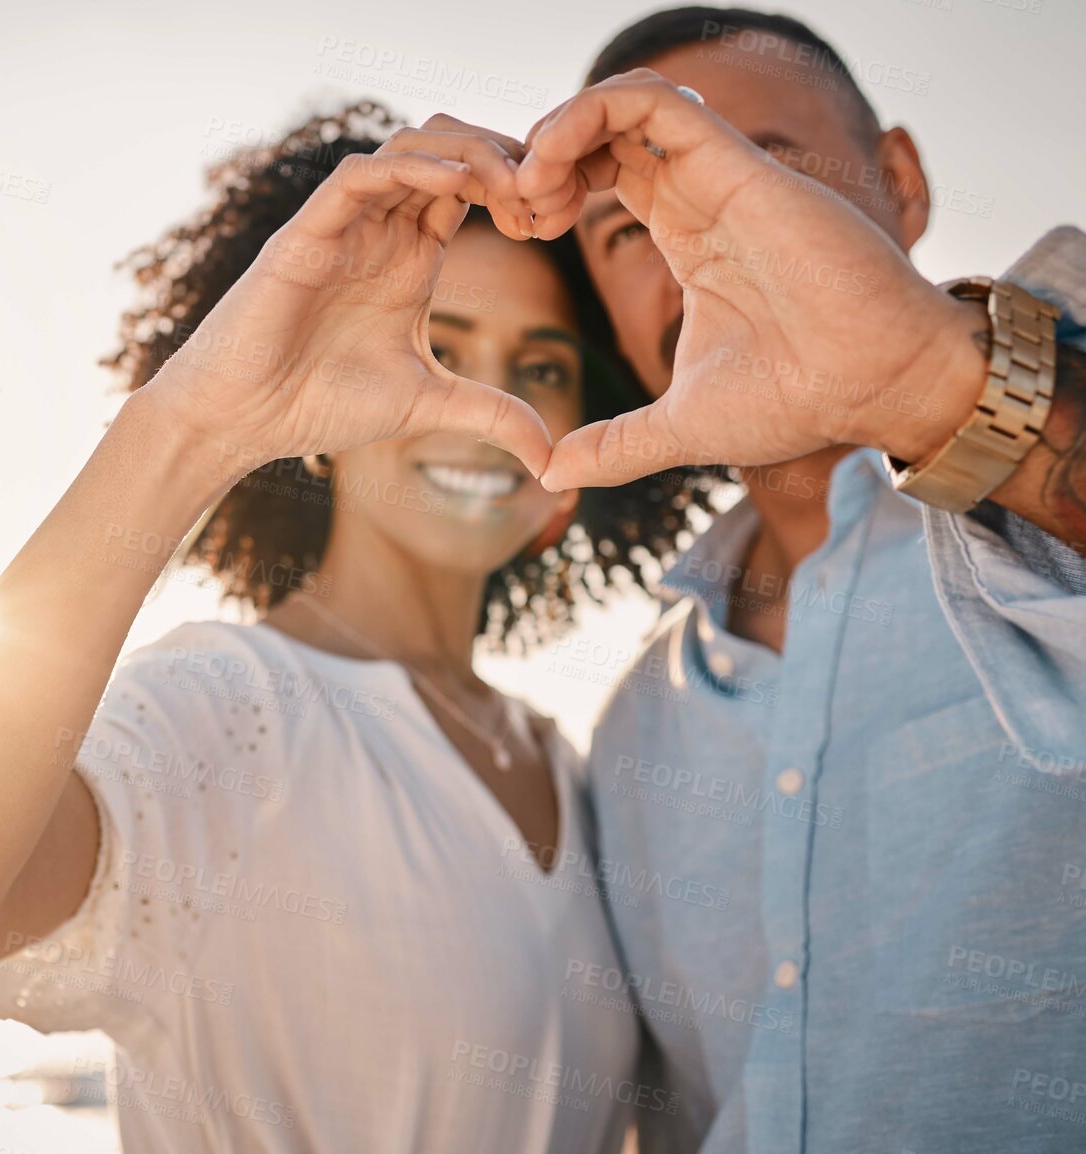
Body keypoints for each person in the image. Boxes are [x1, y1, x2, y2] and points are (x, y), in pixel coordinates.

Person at [0, 104, 706, 1152]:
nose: (486, 402)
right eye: (442, 347)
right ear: (331, 421)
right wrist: (195, 422)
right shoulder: (230, 709)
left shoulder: (574, 765)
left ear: (568, 472)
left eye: (543, 367)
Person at [380, 7, 1086, 1152]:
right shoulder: (630, 736)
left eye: (762, 166)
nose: (696, 245)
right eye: (624, 229)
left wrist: (930, 380)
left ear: (900, 180)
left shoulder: (1044, 525)